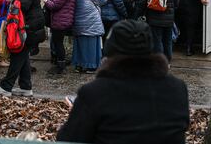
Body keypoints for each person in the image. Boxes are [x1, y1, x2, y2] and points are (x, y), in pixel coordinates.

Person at [57, 20, 189, 144]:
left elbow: (68, 139)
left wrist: (81, 111)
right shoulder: (177, 88)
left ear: (110, 50)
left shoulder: (94, 93)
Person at [135, 0, 179, 64]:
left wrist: (139, 14)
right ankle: (167, 62)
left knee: (157, 40)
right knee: (167, 41)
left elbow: (142, 1)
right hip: (169, 19)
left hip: (153, 18)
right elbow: (176, 4)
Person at [44, 0, 76, 74]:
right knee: (59, 43)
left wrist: (46, 1)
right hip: (63, 19)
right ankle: (60, 64)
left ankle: (60, 66)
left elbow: (55, 5)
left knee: (58, 43)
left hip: (60, 20)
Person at [72, 0, 107, 73]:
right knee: (91, 45)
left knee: (80, 44)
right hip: (91, 22)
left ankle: (79, 65)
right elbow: (104, 0)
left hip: (79, 22)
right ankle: (91, 66)